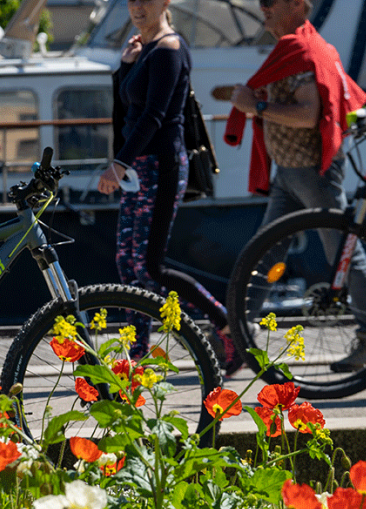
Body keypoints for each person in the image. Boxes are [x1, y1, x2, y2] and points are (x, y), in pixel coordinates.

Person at [224, 0, 366, 373]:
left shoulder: (303, 51)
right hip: (292, 172)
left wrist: (257, 108)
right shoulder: (299, 46)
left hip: (314, 173)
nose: (262, 8)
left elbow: (310, 114)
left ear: (299, 5)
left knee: (344, 253)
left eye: (270, 2)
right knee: (265, 254)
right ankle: (236, 339)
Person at [97, 0, 241, 374]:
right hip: (138, 171)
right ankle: (136, 352)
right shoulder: (144, 51)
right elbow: (126, 113)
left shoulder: (169, 50)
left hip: (160, 167)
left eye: (146, 0)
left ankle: (227, 324)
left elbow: (155, 117)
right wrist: (124, 68)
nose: (137, 7)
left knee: (151, 266)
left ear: (164, 3)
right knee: (127, 264)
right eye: (132, 1)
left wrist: (119, 163)